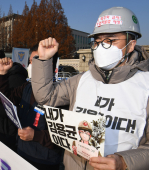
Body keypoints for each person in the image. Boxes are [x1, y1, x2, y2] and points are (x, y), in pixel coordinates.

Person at [31, 7, 149, 170]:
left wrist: (125, 162)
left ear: (131, 45)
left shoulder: (145, 86)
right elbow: (46, 97)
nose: (101, 47)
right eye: (98, 42)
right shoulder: (81, 80)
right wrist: (43, 60)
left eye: (110, 41)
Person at [0, 57, 62, 170]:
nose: (33, 65)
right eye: (31, 61)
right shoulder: (27, 87)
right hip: (22, 152)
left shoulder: (61, 93)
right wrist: (3, 73)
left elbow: (63, 137)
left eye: (38, 60)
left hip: (44, 161)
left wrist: (36, 136)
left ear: (50, 65)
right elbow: (6, 99)